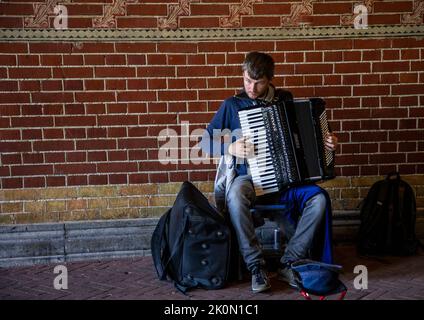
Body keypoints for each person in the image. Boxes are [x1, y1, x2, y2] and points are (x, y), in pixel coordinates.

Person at [200, 51, 338, 293]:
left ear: (270, 79)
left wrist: (325, 143)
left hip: (286, 183)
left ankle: (289, 261)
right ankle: (256, 266)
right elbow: (205, 142)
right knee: (235, 195)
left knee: (318, 199)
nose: (251, 88)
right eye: (247, 81)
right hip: (250, 181)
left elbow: (303, 139)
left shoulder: (285, 99)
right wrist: (230, 146)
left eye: (258, 82)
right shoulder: (232, 105)